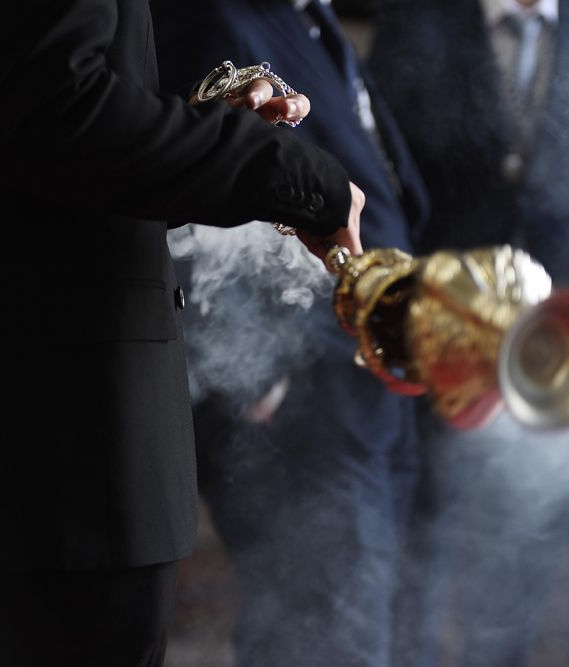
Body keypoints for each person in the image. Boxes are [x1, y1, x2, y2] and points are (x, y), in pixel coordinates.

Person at [0, 1, 365, 665]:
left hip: (19, 467)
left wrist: (206, 127)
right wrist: (292, 172)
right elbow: (53, 114)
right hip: (45, 472)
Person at [150, 1, 429, 664]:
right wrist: (257, 375)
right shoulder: (211, 19)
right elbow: (183, 199)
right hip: (301, 407)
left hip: (364, 394)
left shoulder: (309, 15)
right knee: (321, 642)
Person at [369, 1, 569, 664]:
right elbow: (382, 168)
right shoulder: (420, 20)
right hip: (440, 333)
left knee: (526, 546)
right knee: (424, 543)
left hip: (556, 345)